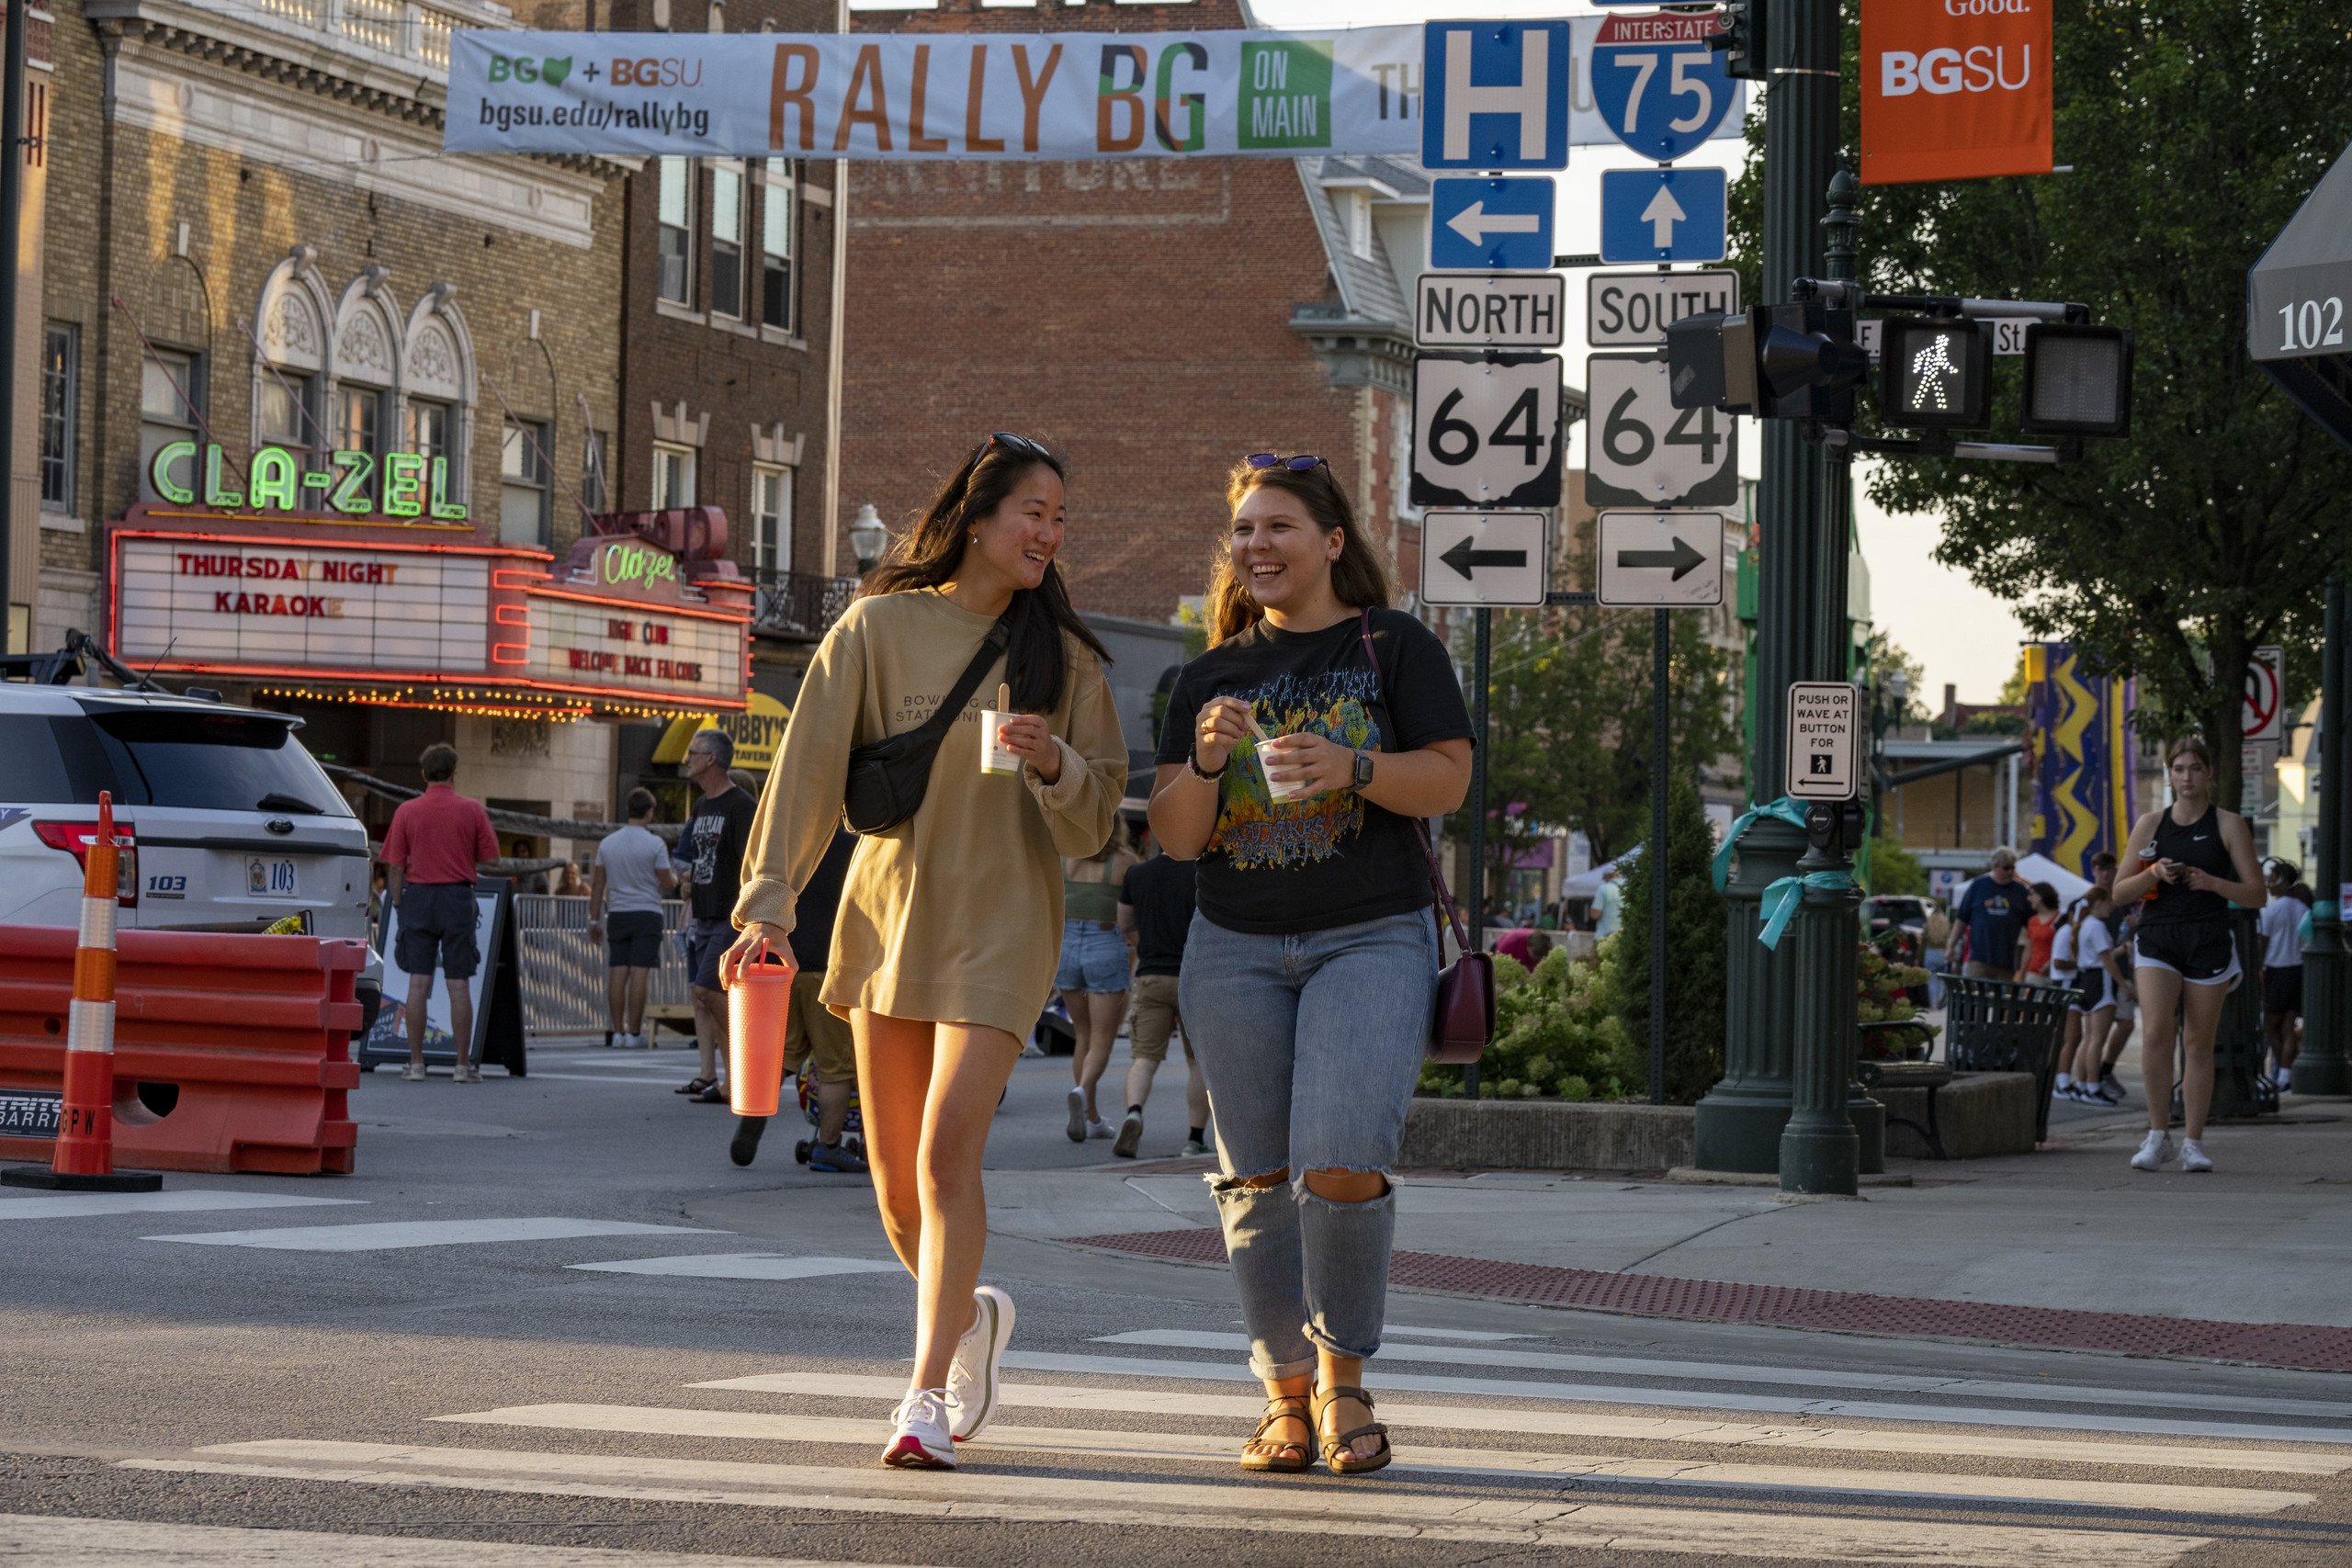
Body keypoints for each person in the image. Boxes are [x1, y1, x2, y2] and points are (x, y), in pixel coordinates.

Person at [721, 432, 1125, 1470]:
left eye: (1059, 519)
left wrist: (1055, 764)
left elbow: (1094, 828)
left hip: (1004, 923)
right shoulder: (877, 628)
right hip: (886, 918)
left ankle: (922, 1398)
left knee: (950, 1155)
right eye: (1033, 511)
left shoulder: (1065, 660)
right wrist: (766, 909)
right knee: (898, 1188)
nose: (1047, 533)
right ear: (978, 518)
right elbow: (806, 771)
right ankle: (967, 1321)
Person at [1149, 452, 1474, 1478]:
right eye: (1243, 531)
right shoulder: (1207, 673)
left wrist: (1356, 766)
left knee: (1339, 1157)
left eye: (1279, 527)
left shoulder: (1396, 646)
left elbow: (1450, 782)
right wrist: (1205, 760)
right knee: (1256, 1178)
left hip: (1369, 934)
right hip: (1232, 944)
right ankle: (1283, 1397)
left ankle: (1344, 1379)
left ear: (1333, 542)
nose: (1257, 547)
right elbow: (1176, 838)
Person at [2111, 737, 2267, 1173]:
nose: (2186, 777)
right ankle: (2157, 1134)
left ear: (2209, 773)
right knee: (2158, 1032)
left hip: (2209, 935)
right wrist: (2154, 873)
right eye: (2178, 769)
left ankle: (2193, 1142)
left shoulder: (2229, 824)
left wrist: (2213, 882)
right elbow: (2119, 891)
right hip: (2159, 934)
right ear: (2169, 774)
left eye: (2195, 768)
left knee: (2198, 1041)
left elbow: (2256, 895)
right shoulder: (2150, 824)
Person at [730, 827, 866, 1174]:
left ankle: (753, 1118)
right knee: (837, 1067)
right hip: (828, 969)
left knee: (786, 1054)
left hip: (786, 966)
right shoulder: (858, 847)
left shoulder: (792, 849)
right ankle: (828, 1147)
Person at [379, 743, 499, 1083]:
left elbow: (395, 866)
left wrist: (400, 903)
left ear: (423, 774)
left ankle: (416, 1063)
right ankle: (463, 1065)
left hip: (419, 898)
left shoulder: (407, 811)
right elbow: (491, 857)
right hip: (457, 897)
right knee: (458, 984)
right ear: (454, 773)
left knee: (418, 983)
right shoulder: (472, 810)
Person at [676, 730, 759, 1104]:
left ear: (711, 759)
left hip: (731, 914)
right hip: (703, 915)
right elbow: (699, 859)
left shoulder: (740, 806)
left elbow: (753, 862)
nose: (686, 759)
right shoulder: (701, 807)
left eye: (692, 753)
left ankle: (751, 1056)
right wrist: (688, 881)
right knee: (709, 997)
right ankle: (729, 1081)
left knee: (705, 990)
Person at [1114, 840, 1208, 1159]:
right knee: (1197, 1062)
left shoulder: (1137, 873)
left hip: (1151, 975)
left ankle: (1134, 1113)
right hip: (1194, 976)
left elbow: (1124, 923)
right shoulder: (1203, 871)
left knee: (1145, 1057)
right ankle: (1194, 1139)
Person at [1058, 818, 1139, 1143]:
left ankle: (1090, 1114)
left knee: (1082, 1034)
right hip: (1106, 944)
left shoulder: (1065, 856)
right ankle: (1081, 1090)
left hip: (1066, 946)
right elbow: (1132, 913)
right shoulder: (1124, 862)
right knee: (1103, 1038)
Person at [588, 789, 677, 1049]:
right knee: (640, 971)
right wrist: (673, 876)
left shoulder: (608, 843)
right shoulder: (655, 844)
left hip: (617, 912)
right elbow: (665, 881)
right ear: (649, 812)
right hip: (647, 911)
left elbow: (597, 884)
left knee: (618, 970)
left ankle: (618, 1032)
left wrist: (594, 920)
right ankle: (635, 1032)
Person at [2260, 859, 2310, 1089]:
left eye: (2272, 879)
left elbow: (2263, 941)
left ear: (2282, 881)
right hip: (2298, 969)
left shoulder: (2272, 909)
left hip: (2276, 970)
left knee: (2270, 1027)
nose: (2269, 885)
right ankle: (2285, 1075)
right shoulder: (2304, 909)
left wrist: (2257, 967)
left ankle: (2281, 1073)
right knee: (2289, 1026)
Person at [1956, 847, 2032, 980]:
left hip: (2007, 962)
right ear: (1995, 866)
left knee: (2002, 998)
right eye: (2006, 868)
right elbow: (1962, 919)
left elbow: (2032, 925)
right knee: (1976, 996)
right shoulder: (1978, 886)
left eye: (2013, 868)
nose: (2011, 872)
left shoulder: (2020, 891)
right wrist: (1951, 945)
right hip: (1979, 958)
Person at [2018, 882, 2062, 984]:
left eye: (2032, 894)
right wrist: (2022, 975)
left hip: (2055, 973)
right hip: (2034, 973)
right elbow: (2028, 949)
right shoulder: (2032, 921)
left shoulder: (2060, 919)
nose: (2029, 898)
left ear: (2042, 895)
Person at [1922, 897, 1952, 1010]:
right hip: (1942, 953)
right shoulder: (1945, 923)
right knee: (1942, 978)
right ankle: (1940, 1000)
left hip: (1930, 952)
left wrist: (1919, 957)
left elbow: (1923, 942)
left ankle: (1933, 1003)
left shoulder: (1928, 925)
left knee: (1931, 979)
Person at [1593, 864, 1624, 942]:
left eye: (1604, 878)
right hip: (1622, 937)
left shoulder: (1603, 889)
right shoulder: (1626, 888)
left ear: (1607, 876)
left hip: (1604, 937)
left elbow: (1595, 914)